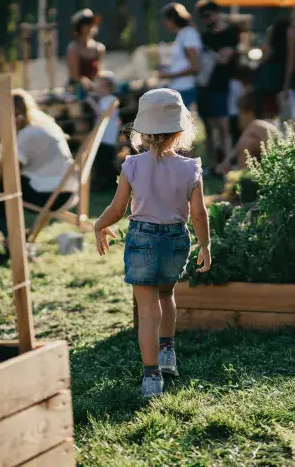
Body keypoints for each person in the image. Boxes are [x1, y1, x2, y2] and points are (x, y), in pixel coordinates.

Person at [93, 88, 211, 398]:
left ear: (142, 132)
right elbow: (199, 214)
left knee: (146, 312)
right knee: (167, 294)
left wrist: (99, 225)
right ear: (180, 130)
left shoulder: (132, 166)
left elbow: (117, 210)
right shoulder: (191, 168)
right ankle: (168, 351)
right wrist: (206, 245)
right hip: (176, 238)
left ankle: (151, 377)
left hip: (142, 239)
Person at [0, 90, 77, 228]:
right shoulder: (43, 125)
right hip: (64, 191)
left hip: (52, 195)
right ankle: (0, 231)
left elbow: (8, 170)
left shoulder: (27, 134)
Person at [195, 0, 239, 170]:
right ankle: (212, 165)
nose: (205, 20)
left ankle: (227, 163)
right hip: (205, 84)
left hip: (222, 83)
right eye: (202, 17)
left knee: (223, 126)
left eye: (207, 16)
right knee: (207, 127)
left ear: (217, 13)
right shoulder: (204, 36)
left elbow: (225, 57)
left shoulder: (231, 32)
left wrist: (214, 57)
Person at [159, 3, 202, 110]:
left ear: (173, 19)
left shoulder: (188, 34)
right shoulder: (183, 34)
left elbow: (195, 66)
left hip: (185, 88)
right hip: (179, 88)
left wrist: (169, 75)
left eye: (167, 20)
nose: (166, 24)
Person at [91, 71, 121, 191]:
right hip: (102, 135)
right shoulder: (104, 99)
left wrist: (91, 103)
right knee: (102, 160)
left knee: (107, 161)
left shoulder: (112, 99)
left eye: (101, 86)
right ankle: (105, 184)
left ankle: (111, 184)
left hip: (108, 136)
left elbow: (104, 115)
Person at [66, 9, 106, 92]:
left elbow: (99, 72)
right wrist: (85, 82)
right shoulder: (73, 48)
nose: (91, 26)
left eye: (92, 23)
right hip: (77, 90)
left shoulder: (99, 48)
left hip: (96, 89)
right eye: (87, 23)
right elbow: (75, 77)